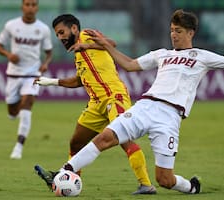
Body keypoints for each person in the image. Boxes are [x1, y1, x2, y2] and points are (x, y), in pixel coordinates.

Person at [36, 9, 224, 195]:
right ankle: (63, 172)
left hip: (170, 118)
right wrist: (105, 46)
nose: (173, 35)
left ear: (190, 33)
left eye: (178, 31)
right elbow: (130, 65)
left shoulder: (201, 56)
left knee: (165, 179)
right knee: (104, 138)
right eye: (171, 30)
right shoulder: (162, 54)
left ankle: (190, 187)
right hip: (146, 106)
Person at [33, 14, 156, 195]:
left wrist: (87, 45)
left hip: (114, 98)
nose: (60, 37)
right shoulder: (77, 54)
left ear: (74, 28)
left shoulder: (87, 35)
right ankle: (67, 179)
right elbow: (79, 81)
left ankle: (146, 185)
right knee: (76, 143)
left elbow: (111, 43)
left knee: (125, 140)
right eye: (57, 34)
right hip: (96, 105)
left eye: (62, 32)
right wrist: (51, 82)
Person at [0, 0, 53, 159]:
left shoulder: (43, 29)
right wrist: (8, 55)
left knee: (27, 104)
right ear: (22, 7)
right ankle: (15, 113)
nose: (30, 8)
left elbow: (49, 52)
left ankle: (18, 147)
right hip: (14, 74)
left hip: (33, 74)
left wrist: (45, 64)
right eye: (27, 4)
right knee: (13, 112)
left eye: (33, 4)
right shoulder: (11, 25)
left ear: (37, 7)